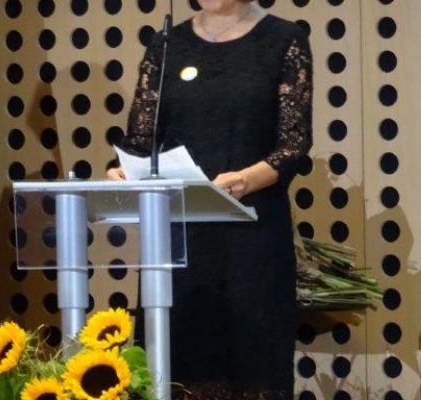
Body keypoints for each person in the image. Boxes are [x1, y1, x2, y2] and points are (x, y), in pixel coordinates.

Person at [107, 0, 312, 398]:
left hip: (250, 233)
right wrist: (121, 169)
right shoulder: (166, 44)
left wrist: (246, 180)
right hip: (179, 240)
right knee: (176, 366)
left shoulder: (284, 39)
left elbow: (293, 145)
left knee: (251, 369)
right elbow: (140, 139)